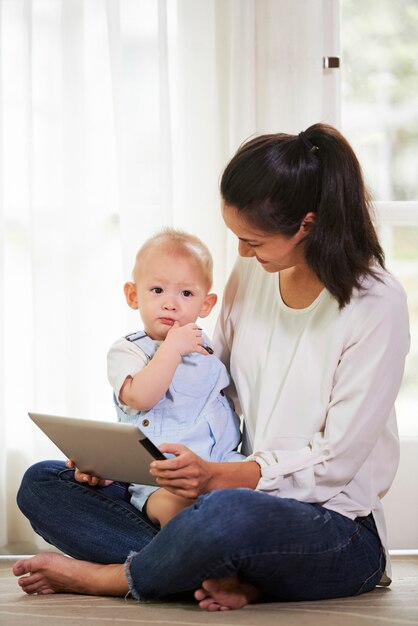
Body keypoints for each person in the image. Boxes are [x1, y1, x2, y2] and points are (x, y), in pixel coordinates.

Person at [13, 123, 410, 611]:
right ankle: (213, 571)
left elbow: (335, 464)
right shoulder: (258, 272)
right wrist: (117, 464)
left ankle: (116, 577)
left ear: (307, 224)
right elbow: (211, 378)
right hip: (219, 494)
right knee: (44, 483)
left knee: (225, 517)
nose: (241, 253)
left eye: (253, 240)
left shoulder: (376, 303)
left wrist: (218, 476)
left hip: (331, 524)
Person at [106, 229, 243, 526]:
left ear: (205, 305)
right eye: (157, 290)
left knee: (261, 499)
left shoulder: (207, 347)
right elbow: (141, 397)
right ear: (133, 295)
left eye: (186, 293)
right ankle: (181, 559)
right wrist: (171, 349)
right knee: (176, 508)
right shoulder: (128, 351)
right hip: (162, 478)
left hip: (221, 463)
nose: (171, 303)